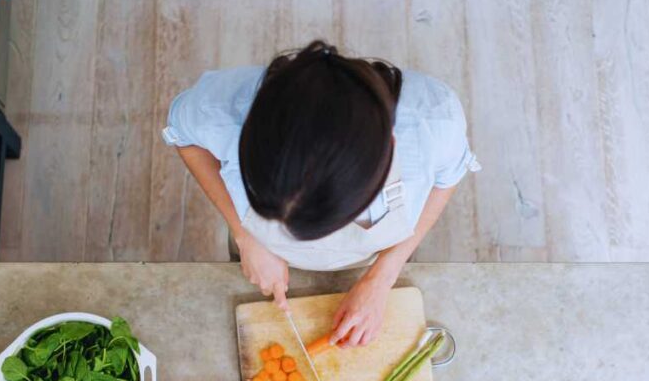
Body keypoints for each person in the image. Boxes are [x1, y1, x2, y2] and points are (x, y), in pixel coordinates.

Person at [162, 40, 479, 348]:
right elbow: (185, 136)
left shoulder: (434, 122)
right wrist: (246, 236)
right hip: (259, 255)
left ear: (389, 150)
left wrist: (382, 277)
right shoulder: (222, 107)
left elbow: (446, 179)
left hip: (379, 257)